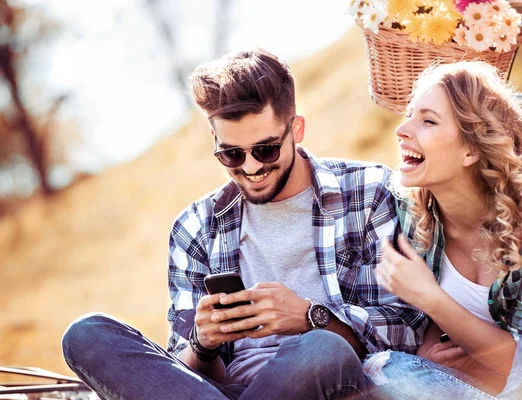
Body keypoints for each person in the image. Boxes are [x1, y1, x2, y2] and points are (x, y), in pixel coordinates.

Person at [61, 48, 427, 400]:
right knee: (87, 334)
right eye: (232, 154)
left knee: (322, 348)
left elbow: (407, 326)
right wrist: (204, 344)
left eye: (266, 149)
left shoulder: (367, 190)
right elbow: (182, 374)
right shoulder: (195, 227)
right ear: (214, 140)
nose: (251, 167)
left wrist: (308, 316)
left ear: (296, 129)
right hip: (220, 392)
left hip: (331, 383)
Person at [365, 60, 522, 399]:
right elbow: (420, 334)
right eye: (409, 115)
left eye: (428, 120)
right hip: (466, 389)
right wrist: (428, 353)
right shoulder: (408, 212)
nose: (402, 130)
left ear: (471, 149)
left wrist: (431, 298)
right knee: (383, 369)